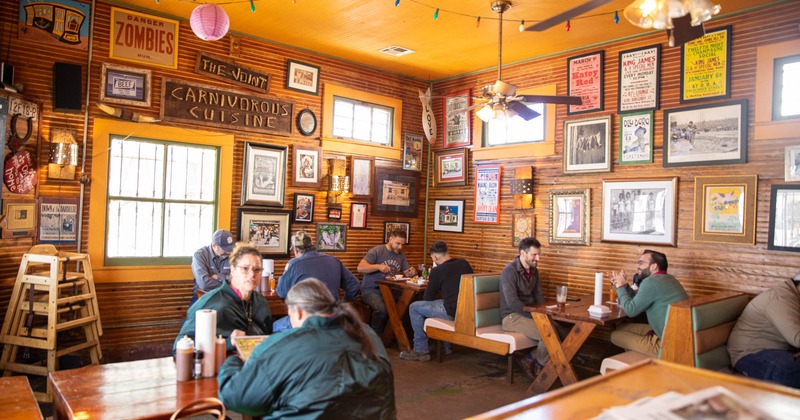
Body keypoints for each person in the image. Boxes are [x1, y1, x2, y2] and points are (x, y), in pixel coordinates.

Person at [218, 279, 396, 419]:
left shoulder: (287, 343)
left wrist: (234, 361)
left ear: (299, 312)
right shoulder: (368, 334)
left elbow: (237, 397)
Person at [175, 243, 272, 354]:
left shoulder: (261, 302)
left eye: (257, 270)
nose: (252, 274)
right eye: (245, 269)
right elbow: (181, 346)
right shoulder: (211, 303)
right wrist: (228, 343)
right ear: (233, 269)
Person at [272, 230, 360, 332]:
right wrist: (342, 305)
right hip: (333, 319)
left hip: (306, 320)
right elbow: (354, 285)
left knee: (275, 326)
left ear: (295, 249)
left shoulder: (294, 264)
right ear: (311, 245)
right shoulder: (334, 261)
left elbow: (281, 292)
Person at [400, 241, 473, 361]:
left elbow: (428, 298)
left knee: (414, 307)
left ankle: (420, 350)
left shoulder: (437, 271)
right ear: (447, 252)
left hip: (452, 311)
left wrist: (433, 281)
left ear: (434, 257)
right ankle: (447, 347)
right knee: (444, 302)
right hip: (468, 308)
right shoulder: (464, 263)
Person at [609, 249, 688, 357]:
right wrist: (626, 287)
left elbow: (631, 310)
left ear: (654, 266)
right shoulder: (670, 279)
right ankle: (637, 359)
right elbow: (640, 300)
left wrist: (620, 287)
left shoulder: (650, 282)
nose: (638, 266)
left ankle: (644, 364)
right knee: (622, 327)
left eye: (641, 263)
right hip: (674, 335)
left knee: (615, 335)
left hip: (668, 345)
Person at [727, 274, 800, 389]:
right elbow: (797, 338)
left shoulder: (794, 295)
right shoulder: (780, 297)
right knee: (793, 371)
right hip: (750, 354)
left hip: (781, 351)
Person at [499, 237, 549, 378]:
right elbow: (512, 302)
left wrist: (543, 313)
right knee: (548, 333)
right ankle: (541, 366)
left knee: (562, 331)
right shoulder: (509, 271)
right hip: (511, 317)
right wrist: (535, 316)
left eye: (539, 254)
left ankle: (531, 359)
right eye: (534, 255)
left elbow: (538, 295)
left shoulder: (534, 271)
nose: (538, 258)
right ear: (523, 253)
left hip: (529, 313)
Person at [357, 231, 417, 333]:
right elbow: (360, 268)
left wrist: (411, 273)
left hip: (392, 289)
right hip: (371, 289)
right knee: (381, 309)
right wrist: (378, 266)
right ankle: (375, 337)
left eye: (402, 244)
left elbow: (407, 273)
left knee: (410, 304)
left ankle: (395, 335)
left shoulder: (401, 256)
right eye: (398, 243)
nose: (400, 247)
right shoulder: (377, 251)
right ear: (390, 239)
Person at [190, 229, 235, 307]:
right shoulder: (199, 255)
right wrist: (228, 284)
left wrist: (219, 277)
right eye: (225, 249)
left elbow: (237, 279)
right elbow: (204, 284)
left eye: (230, 248)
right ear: (214, 246)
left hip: (226, 296)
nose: (229, 252)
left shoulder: (232, 254)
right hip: (203, 296)